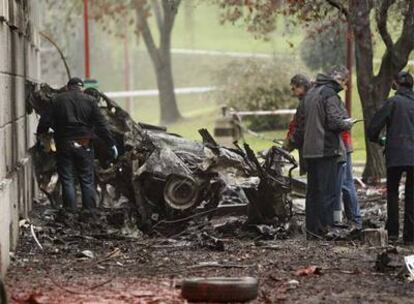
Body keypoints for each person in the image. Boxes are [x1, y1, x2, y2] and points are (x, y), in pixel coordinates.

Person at [37, 77, 118, 210]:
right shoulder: (90, 101)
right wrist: (111, 143)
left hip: (64, 143)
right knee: (86, 179)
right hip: (84, 144)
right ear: (82, 88)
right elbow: (101, 125)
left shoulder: (57, 100)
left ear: (68, 87)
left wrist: (42, 136)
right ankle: (90, 213)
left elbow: (44, 122)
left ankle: (70, 213)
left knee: (67, 178)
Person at [292, 66, 354, 239]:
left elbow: (300, 126)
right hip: (326, 149)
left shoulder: (309, 95)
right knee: (327, 192)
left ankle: (312, 230)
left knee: (312, 192)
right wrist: (347, 123)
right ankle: (325, 229)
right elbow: (334, 122)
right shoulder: (329, 94)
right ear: (336, 81)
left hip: (309, 152)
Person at [367, 71, 414, 244]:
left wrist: (378, 139)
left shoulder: (392, 102)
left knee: (393, 192)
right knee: (411, 194)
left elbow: (373, 128)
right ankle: (410, 236)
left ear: (396, 84)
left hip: (395, 154)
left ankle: (392, 233)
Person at [283, 74, 311, 175]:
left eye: (294, 88)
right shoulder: (306, 101)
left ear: (302, 86)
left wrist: (290, 143)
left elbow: (303, 128)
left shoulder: (307, 102)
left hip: (310, 148)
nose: (293, 92)